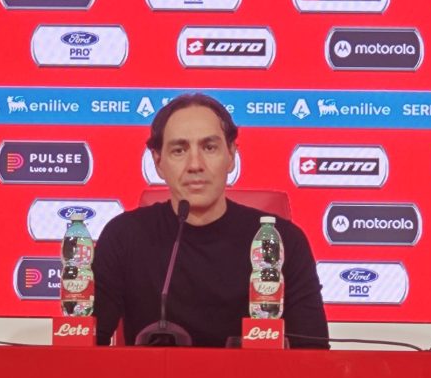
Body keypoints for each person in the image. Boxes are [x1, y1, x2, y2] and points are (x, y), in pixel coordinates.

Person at [92, 93, 330, 348]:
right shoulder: (124, 236)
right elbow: (86, 347)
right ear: (158, 162)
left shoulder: (283, 241)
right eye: (179, 150)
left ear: (231, 155)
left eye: (209, 147)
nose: (195, 164)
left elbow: (313, 356)